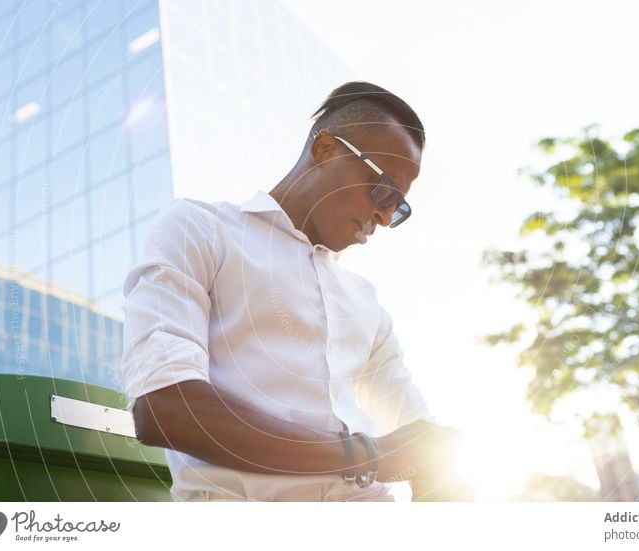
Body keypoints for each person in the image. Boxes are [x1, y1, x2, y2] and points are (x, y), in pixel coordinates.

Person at [120, 81, 474, 501]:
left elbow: (419, 441)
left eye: (399, 208)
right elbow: (165, 406)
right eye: (384, 190)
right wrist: (363, 456)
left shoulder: (367, 304)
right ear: (326, 149)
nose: (383, 215)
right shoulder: (200, 230)